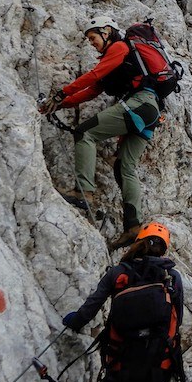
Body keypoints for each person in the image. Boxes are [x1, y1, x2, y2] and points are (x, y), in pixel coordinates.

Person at [38, 15, 160, 247]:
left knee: (85, 133)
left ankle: (84, 191)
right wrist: (60, 104)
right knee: (124, 166)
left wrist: (61, 93)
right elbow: (92, 90)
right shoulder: (122, 62)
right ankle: (133, 225)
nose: (91, 43)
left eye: (93, 38)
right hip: (150, 112)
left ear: (106, 31)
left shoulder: (119, 47)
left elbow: (93, 75)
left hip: (140, 104)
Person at [62, 222, 185, 382]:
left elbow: (91, 306)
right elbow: (178, 319)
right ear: (164, 249)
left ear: (138, 242)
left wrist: (74, 321)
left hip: (121, 367)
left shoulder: (119, 273)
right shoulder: (172, 277)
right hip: (158, 369)